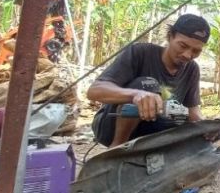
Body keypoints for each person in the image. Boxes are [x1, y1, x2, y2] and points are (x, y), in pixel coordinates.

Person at [88, 13, 210, 147]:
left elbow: (192, 111)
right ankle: (117, 150)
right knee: (146, 85)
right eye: (182, 46)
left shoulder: (192, 69)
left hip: (154, 132)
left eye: (196, 51)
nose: (188, 55)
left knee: (181, 119)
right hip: (111, 127)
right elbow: (94, 91)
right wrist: (136, 95)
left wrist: (206, 128)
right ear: (170, 36)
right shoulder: (139, 53)